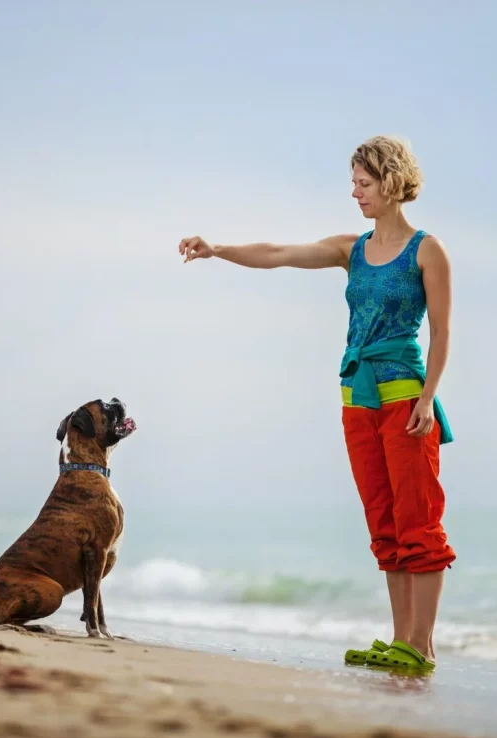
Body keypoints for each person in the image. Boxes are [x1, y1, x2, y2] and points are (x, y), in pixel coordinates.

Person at [178, 135, 456, 673]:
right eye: (353, 183)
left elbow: (443, 332)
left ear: (392, 181)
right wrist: (217, 249)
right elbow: (279, 255)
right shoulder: (349, 249)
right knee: (384, 522)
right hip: (357, 399)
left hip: (405, 399)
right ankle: (401, 639)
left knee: (419, 519)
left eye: (364, 183)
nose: (355, 193)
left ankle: (421, 647)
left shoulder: (427, 250)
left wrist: (428, 397)